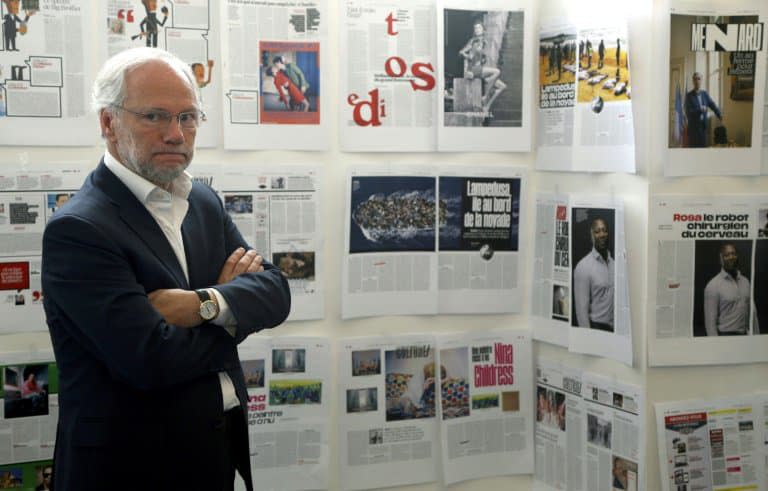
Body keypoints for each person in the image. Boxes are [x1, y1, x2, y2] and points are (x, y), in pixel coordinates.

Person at [41, 47, 291, 491]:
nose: (176, 134)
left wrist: (205, 304)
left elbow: (275, 291)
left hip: (211, 458)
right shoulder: (79, 230)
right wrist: (235, 309)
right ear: (108, 123)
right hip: (128, 471)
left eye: (188, 117)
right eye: (155, 116)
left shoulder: (203, 202)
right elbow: (151, 361)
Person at [703, 243, 756, 336]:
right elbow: (710, 323)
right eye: (727, 255)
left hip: (745, 336)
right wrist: (715, 345)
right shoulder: (713, 285)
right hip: (725, 337)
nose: (731, 257)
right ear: (721, 259)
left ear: (737, 256)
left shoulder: (745, 281)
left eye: (734, 253)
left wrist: (756, 337)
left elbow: (753, 313)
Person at [573, 217, 614, 331]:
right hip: (597, 328)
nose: (602, 234)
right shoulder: (583, 266)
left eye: (604, 230)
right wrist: (588, 339)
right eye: (597, 231)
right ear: (592, 235)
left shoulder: (615, 264)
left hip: (616, 331)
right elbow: (581, 312)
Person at [459, 21, 506, 113]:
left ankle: (486, 106)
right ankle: (485, 95)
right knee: (497, 72)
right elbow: (461, 52)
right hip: (473, 69)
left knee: (502, 87)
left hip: (480, 69)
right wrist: (468, 57)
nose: (477, 30)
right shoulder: (473, 41)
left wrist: (482, 58)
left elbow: (481, 57)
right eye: (475, 28)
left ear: (483, 30)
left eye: (479, 28)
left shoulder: (484, 41)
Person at [684, 71, 722, 147]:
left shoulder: (705, 94)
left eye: (698, 79)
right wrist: (700, 109)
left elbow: (712, 105)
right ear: (693, 81)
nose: (697, 81)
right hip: (693, 129)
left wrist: (720, 115)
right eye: (695, 79)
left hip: (703, 128)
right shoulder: (688, 96)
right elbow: (688, 112)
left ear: (701, 80)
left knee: (702, 148)